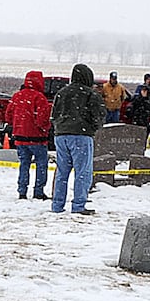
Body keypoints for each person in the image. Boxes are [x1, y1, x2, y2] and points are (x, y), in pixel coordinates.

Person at [50, 63, 107, 215]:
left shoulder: (62, 92)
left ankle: (57, 205)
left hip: (61, 135)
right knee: (83, 172)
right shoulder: (90, 94)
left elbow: (54, 114)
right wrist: (92, 128)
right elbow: (99, 115)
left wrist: (59, 127)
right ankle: (78, 205)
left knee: (62, 172)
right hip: (81, 135)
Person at [7, 70, 52, 199]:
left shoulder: (17, 96)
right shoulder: (40, 98)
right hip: (37, 139)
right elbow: (42, 119)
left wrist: (17, 126)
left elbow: (8, 115)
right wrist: (45, 129)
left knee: (24, 165)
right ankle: (38, 191)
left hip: (20, 138)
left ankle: (22, 191)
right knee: (41, 165)